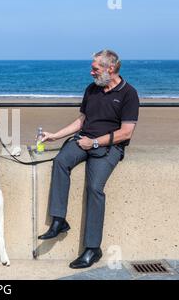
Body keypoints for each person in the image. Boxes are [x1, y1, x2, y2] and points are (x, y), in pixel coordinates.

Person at [38, 50, 139, 269]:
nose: (91, 71)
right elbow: (81, 121)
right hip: (84, 140)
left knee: (94, 187)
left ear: (110, 69)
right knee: (60, 161)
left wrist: (93, 143)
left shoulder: (129, 93)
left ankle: (92, 249)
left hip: (109, 147)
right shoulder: (92, 89)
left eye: (95, 68)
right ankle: (59, 220)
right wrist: (54, 135)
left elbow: (126, 133)